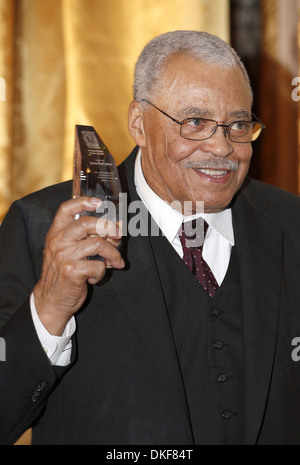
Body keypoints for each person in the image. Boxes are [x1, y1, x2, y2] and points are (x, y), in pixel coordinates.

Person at [0, 30, 300, 446]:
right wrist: (48, 310)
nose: (222, 148)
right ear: (138, 123)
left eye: (238, 124)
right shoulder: (39, 226)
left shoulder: (291, 223)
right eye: (195, 123)